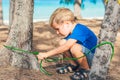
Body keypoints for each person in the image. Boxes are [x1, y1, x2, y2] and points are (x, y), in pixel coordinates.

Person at [37, 7, 97, 80]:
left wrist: (46, 54)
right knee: (62, 42)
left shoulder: (80, 29)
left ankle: (86, 70)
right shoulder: (71, 32)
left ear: (67, 23)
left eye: (57, 29)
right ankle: (73, 65)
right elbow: (64, 45)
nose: (57, 32)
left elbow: (67, 46)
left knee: (74, 47)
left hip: (94, 60)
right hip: (85, 57)